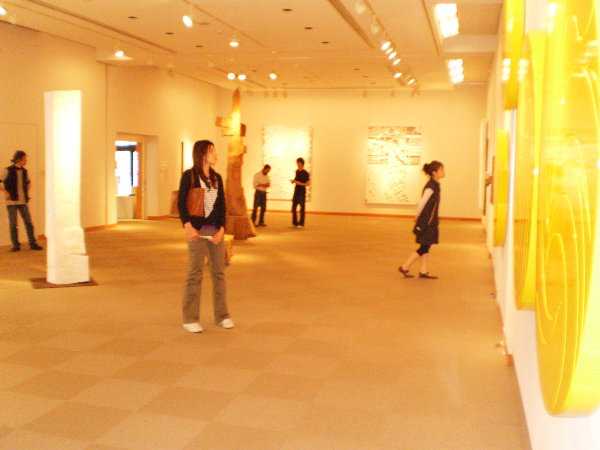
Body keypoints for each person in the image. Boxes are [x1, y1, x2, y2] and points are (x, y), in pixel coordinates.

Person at [178, 140, 234, 333]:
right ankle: (190, 318)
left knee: (219, 273)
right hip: (197, 231)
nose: (215, 154)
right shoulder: (190, 176)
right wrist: (188, 227)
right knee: (195, 274)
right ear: (202, 154)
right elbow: (181, 203)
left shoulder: (217, 178)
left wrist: (222, 229)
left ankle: (222, 315)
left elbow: (221, 207)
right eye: (211, 151)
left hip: (215, 231)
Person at [398, 160, 445, 279]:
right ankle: (405, 266)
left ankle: (423, 271)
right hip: (427, 222)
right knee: (424, 247)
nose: (443, 172)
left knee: (426, 246)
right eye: (441, 169)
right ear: (434, 173)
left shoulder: (435, 185)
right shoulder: (431, 186)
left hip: (431, 220)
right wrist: (417, 215)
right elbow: (422, 202)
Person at [0, 151, 43, 252]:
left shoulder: (25, 171)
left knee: (28, 222)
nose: (26, 160)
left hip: (23, 202)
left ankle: (32, 243)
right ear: (19, 159)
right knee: (13, 224)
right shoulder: (7, 170)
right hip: (11, 202)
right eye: (25, 158)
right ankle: (16, 245)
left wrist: (26, 191)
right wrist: (5, 192)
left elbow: (28, 182)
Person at [290, 157, 310, 228]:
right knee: (293, 208)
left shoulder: (305, 173)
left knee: (302, 209)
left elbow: (308, 184)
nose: (297, 164)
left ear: (301, 163)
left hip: (302, 192)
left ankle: (301, 223)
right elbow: (296, 180)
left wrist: (300, 183)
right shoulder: (297, 171)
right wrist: (293, 181)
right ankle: (294, 223)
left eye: (298, 163)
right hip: (296, 191)